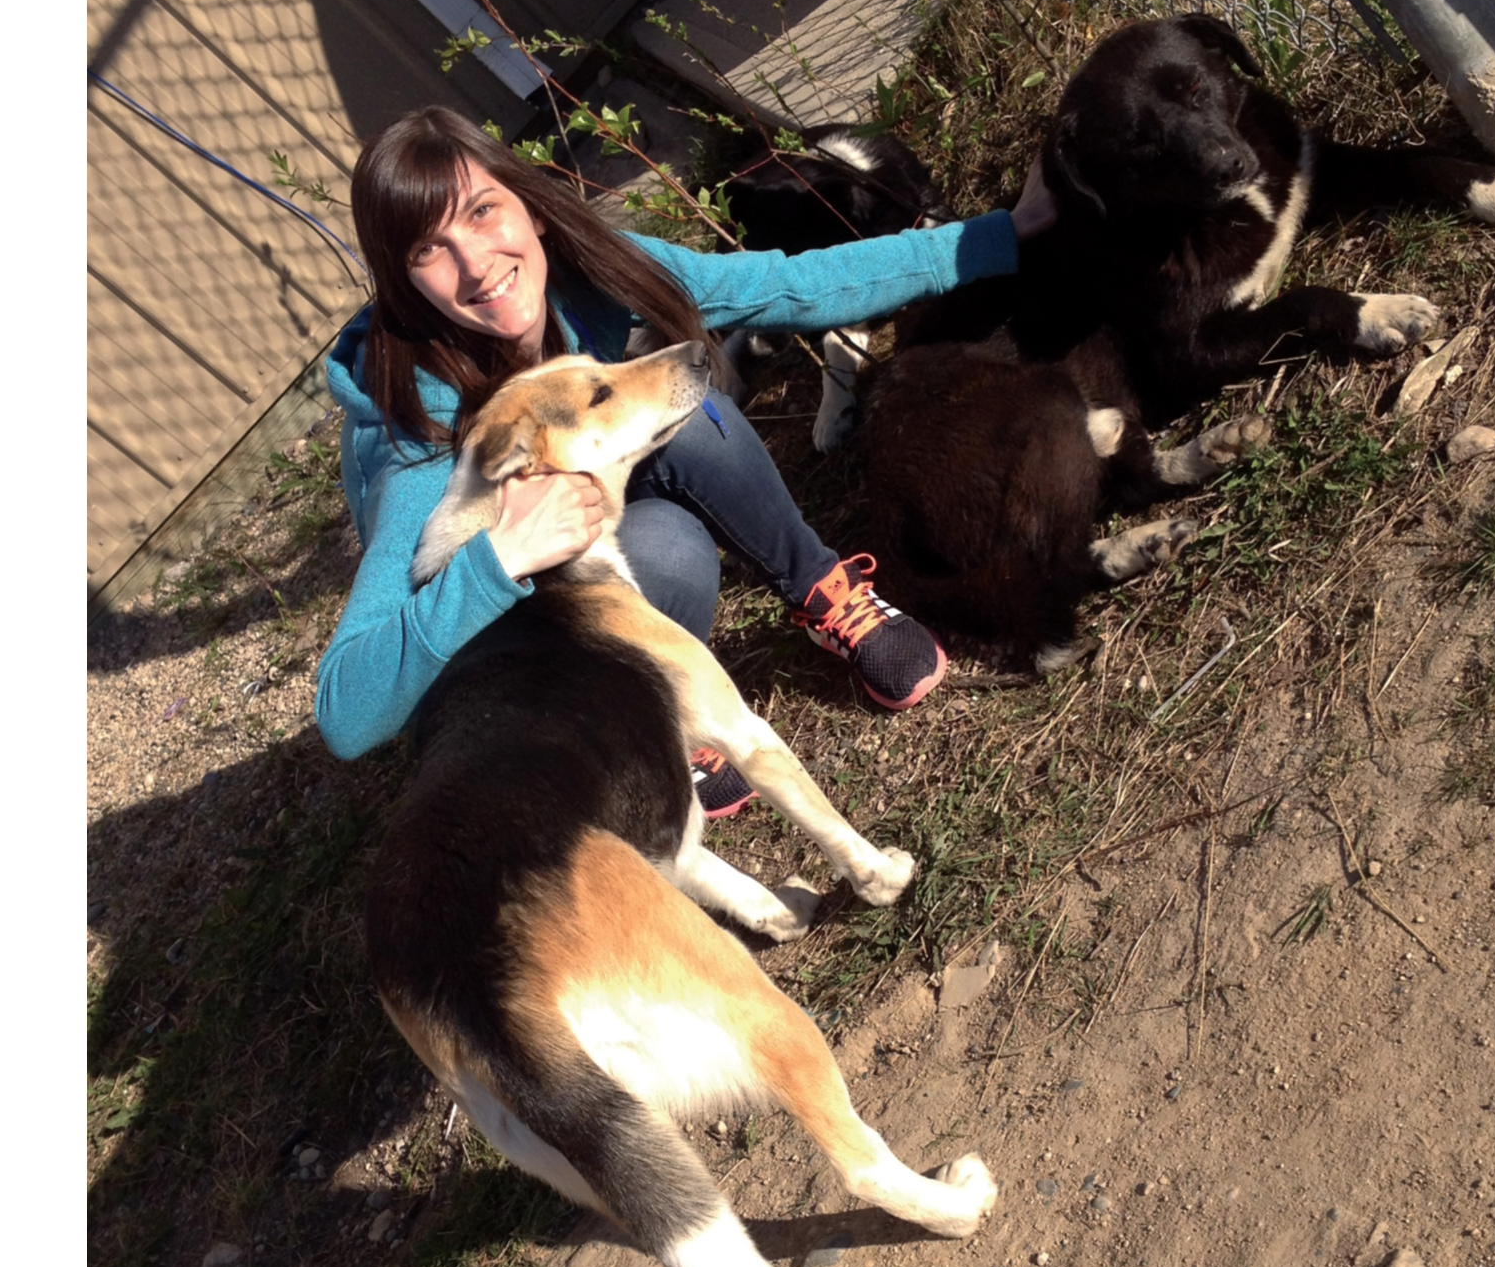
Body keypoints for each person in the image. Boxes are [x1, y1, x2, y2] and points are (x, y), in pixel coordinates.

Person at [314, 106, 1057, 813]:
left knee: (687, 409)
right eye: (427, 250)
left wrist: (995, 235)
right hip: (514, 651)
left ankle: (823, 590)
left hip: (578, 536)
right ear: (404, 281)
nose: (475, 264)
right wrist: (498, 558)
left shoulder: (587, 271)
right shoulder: (417, 427)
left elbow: (784, 285)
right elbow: (347, 714)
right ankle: (660, 717)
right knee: (670, 549)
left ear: (531, 207)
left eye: (482, 211)